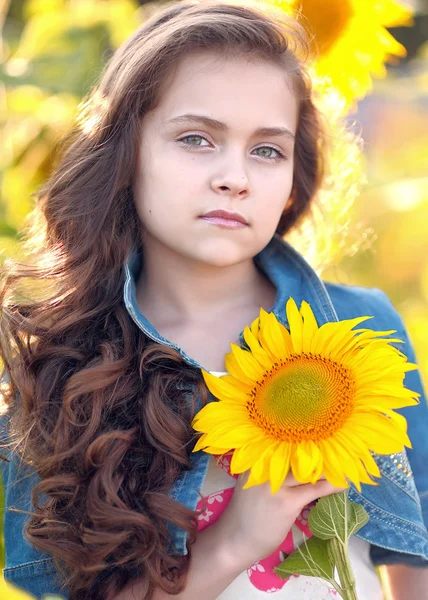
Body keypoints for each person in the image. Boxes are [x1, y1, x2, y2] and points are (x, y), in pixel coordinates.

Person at [0, 1, 427, 599]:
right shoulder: (58, 370)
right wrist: (235, 540)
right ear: (127, 154)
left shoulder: (361, 330)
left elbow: (416, 556)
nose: (236, 176)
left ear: (290, 181)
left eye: (267, 150)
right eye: (197, 139)